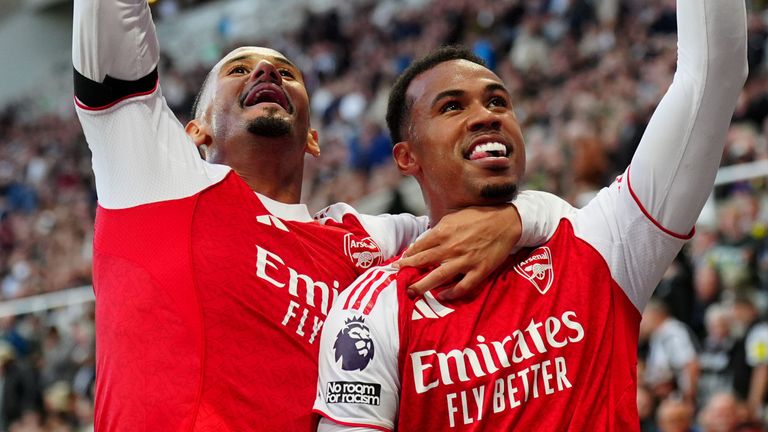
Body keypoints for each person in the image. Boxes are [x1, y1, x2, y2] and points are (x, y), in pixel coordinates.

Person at [71, 0, 569, 430]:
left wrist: (517, 218)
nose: (266, 73)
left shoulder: (363, 241)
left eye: (287, 73)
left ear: (313, 138)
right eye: (240, 69)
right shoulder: (156, 178)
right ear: (194, 132)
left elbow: (553, 223)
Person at [314, 0, 748, 429]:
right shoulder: (372, 310)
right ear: (407, 158)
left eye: (498, 101)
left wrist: (526, 215)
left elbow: (712, 74)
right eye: (452, 106)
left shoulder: (603, 241)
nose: (486, 115)